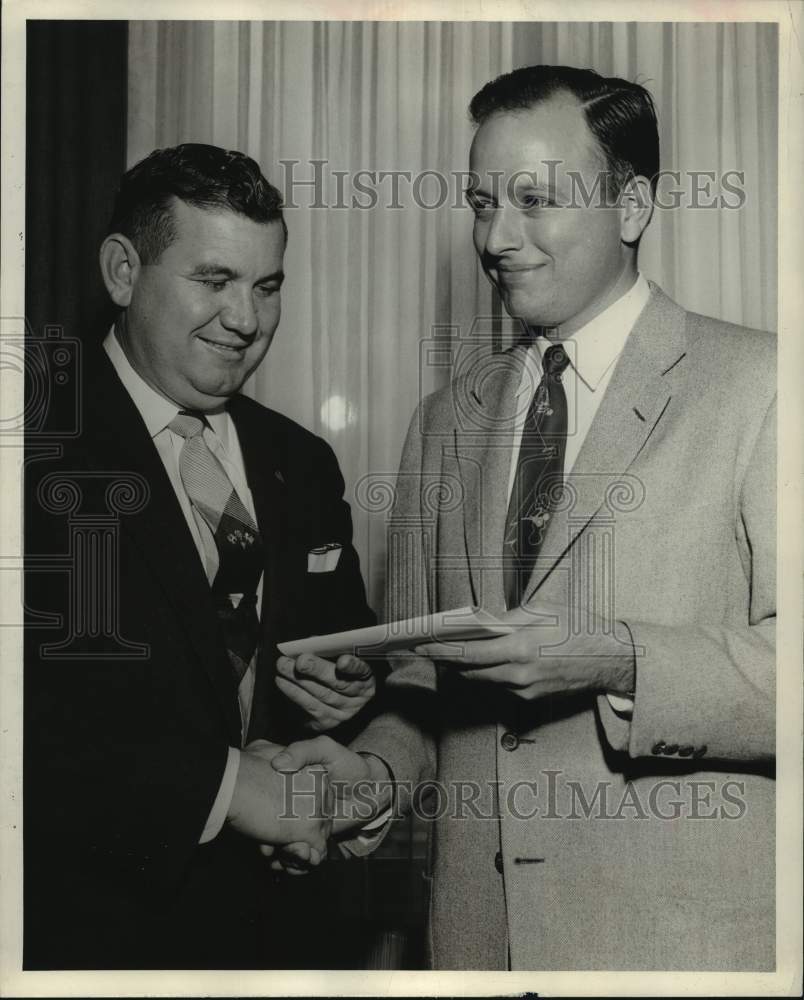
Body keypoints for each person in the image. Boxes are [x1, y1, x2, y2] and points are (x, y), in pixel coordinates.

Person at [271, 66, 776, 971]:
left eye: (535, 199)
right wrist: (368, 777)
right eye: (480, 202)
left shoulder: (766, 388)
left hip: (687, 957)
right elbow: (425, 690)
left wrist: (619, 654)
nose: (496, 238)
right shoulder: (442, 422)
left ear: (632, 207)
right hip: (478, 945)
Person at [23, 143, 378, 970]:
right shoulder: (29, 443)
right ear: (122, 271)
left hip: (286, 936)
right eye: (213, 281)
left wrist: (350, 684)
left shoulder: (303, 461)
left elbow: (344, 637)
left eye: (267, 286)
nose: (246, 319)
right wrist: (222, 788)